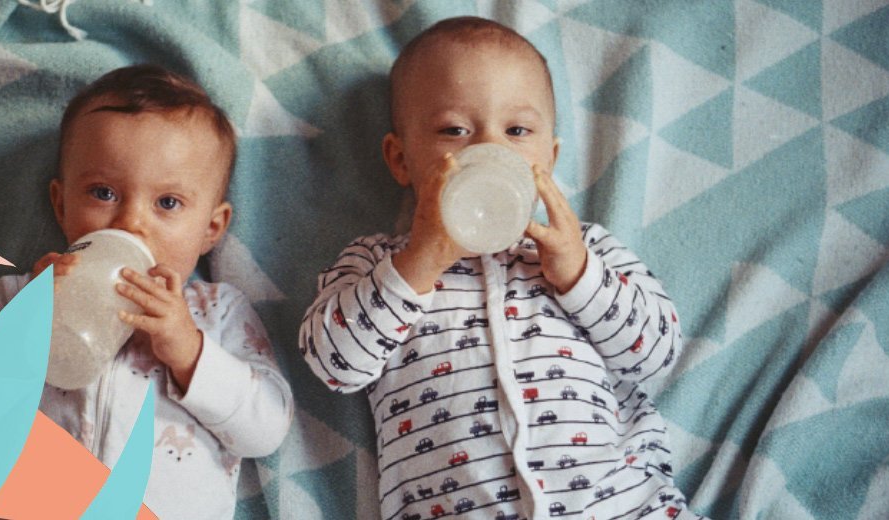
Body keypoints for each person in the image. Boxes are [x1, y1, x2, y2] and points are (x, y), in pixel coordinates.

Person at [299, 17, 699, 520]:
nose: (489, 150)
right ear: (401, 160)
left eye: (517, 131)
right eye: (454, 130)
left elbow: (657, 355)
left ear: (549, 158)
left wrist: (578, 275)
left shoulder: (586, 250)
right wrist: (418, 262)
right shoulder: (375, 264)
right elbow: (334, 365)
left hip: (621, 506)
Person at [0, 64, 293, 520]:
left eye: (167, 202)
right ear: (62, 204)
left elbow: (267, 429)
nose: (131, 222)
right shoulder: (25, 293)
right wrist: (24, 328)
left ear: (211, 229)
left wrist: (189, 353)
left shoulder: (218, 312)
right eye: (103, 193)